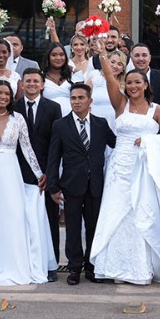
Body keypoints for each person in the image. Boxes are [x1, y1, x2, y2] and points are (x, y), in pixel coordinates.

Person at [89, 49, 160, 285]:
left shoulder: (155, 109)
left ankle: (140, 268)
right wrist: (102, 55)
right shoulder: (121, 104)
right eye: (129, 82)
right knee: (116, 213)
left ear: (146, 85)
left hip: (144, 168)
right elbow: (108, 78)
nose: (133, 86)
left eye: (137, 82)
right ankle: (115, 267)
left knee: (141, 214)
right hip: (120, 168)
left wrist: (149, 141)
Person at [0, 81, 54, 286]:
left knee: (14, 217)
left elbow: (27, 148)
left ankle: (14, 263)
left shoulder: (18, 119)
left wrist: (40, 173)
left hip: (10, 172)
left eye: (7, 94)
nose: (3, 97)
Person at [46, 84, 116, 284]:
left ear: (89, 101)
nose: (76, 101)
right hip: (71, 185)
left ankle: (92, 266)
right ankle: (74, 267)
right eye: (73, 98)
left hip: (95, 184)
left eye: (80, 98)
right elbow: (53, 158)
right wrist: (53, 186)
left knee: (94, 227)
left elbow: (117, 144)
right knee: (73, 228)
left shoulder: (101, 124)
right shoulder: (60, 125)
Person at [13, 68, 63, 268]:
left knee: (49, 218)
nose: (32, 84)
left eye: (36, 81)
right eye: (28, 81)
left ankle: (50, 264)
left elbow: (55, 143)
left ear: (42, 85)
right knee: (21, 217)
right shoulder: (13, 107)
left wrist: (49, 174)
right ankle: (25, 261)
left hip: (45, 171)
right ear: (22, 84)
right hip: (18, 171)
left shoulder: (53, 108)